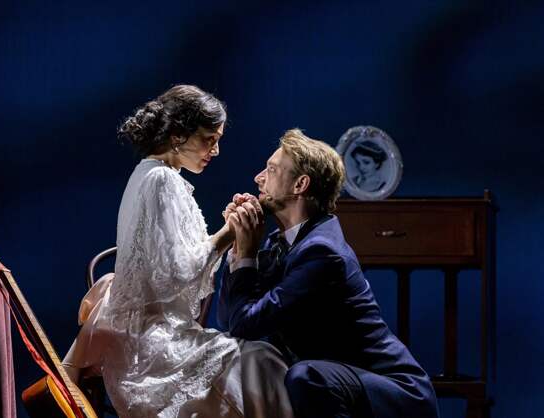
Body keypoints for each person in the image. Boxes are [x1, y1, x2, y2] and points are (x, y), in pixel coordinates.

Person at [62, 85, 294, 418]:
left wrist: (227, 232)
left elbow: (179, 265)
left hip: (144, 337)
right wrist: (230, 233)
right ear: (177, 135)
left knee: (260, 358)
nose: (215, 150)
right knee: (261, 361)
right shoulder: (162, 180)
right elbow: (176, 276)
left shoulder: (150, 173)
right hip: (150, 347)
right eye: (208, 139)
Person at [217, 129, 439, 418]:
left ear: (300, 184)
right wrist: (238, 250)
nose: (259, 178)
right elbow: (230, 320)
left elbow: (245, 324)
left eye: (271, 170)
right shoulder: (279, 243)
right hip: (341, 380)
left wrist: (248, 254)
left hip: (397, 393)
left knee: (306, 376)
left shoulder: (321, 251)